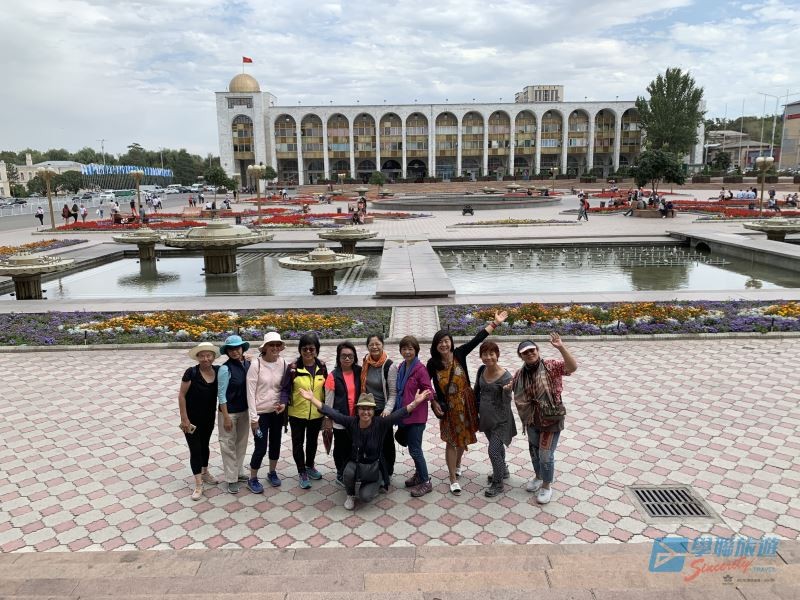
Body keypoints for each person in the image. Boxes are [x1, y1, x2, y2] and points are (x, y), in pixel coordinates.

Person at [302, 390, 431, 510]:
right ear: (358, 410)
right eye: (362, 409)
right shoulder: (352, 422)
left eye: (369, 409)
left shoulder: (380, 423)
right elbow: (332, 413)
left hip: (374, 467)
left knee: (365, 497)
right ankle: (350, 495)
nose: (365, 412)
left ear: (373, 411)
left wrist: (415, 402)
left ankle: (377, 482)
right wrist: (312, 399)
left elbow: (400, 413)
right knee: (348, 472)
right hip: (356, 463)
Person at [427, 310, 509, 495]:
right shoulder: (432, 363)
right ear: (435, 345)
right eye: (440, 342)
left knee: (462, 438)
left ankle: (457, 465)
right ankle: (453, 479)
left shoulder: (459, 353)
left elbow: (477, 339)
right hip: (448, 407)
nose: (444, 345)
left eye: (446, 341)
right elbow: (426, 384)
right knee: (451, 441)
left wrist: (495, 323)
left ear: (451, 342)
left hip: (466, 404)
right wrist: (433, 401)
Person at [511, 334, 577, 504]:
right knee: (534, 452)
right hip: (531, 419)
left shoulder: (550, 365)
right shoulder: (520, 374)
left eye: (532, 350)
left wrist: (561, 347)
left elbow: (572, 367)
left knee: (545, 455)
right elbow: (512, 385)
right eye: (525, 352)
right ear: (521, 356)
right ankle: (539, 476)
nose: (529, 354)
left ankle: (546, 486)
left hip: (551, 417)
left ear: (537, 350)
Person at [281, 332, 327, 489]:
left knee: (312, 442)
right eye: (304, 349)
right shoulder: (293, 368)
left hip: (316, 413)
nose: (308, 352)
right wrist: (282, 403)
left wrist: (327, 411)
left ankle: (310, 466)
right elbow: (285, 389)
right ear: (300, 350)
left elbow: (327, 390)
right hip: (297, 413)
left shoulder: (322, 367)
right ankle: (301, 471)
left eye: (311, 349)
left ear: (317, 350)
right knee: (298, 443)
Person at [246, 332, 288, 492]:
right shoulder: (256, 364)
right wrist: (253, 418)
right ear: (265, 347)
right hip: (260, 414)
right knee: (261, 447)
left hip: (277, 412)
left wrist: (283, 403)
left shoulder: (283, 363)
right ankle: (252, 478)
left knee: (276, 443)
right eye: (271, 345)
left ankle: (272, 472)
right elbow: (250, 393)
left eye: (278, 345)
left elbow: (285, 387)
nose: (275, 348)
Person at [178, 342, 220, 501]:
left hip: (208, 418)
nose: (205, 358)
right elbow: (181, 395)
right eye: (202, 356)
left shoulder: (218, 370)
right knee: (195, 450)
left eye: (209, 355)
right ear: (197, 357)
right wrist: (184, 418)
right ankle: (198, 484)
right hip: (191, 420)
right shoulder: (191, 372)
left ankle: (205, 472)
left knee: (205, 446)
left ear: (213, 357)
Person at [475, 340, 516, 498]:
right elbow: (477, 391)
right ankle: (503, 470)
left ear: (497, 355)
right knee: (497, 449)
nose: (488, 357)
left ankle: (498, 484)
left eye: (491, 353)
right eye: (484, 354)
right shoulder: (482, 370)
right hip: (486, 418)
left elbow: (506, 402)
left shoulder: (506, 377)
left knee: (493, 451)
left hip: (501, 421)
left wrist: (507, 391)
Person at [396, 335, 435, 497]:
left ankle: (426, 481)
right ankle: (419, 475)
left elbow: (430, 391)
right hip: (404, 414)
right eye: (404, 349)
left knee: (415, 450)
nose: (407, 352)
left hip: (416, 417)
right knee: (413, 449)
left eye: (410, 349)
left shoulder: (420, 369)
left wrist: (422, 397)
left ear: (416, 350)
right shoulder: (401, 367)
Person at [361, 333, 398, 490]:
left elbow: (393, 393)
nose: (374, 347)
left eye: (377, 344)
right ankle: (373, 471)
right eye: (371, 344)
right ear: (367, 346)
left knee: (386, 442)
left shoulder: (389, 366)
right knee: (370, 443)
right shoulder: (365, 362)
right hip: (368, 410)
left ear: (383, 345)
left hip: (383, 411)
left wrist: (387, 411)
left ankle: (387, 472)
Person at [216, 335, 251, 494]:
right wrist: (226, 417)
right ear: (227, 352)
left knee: (241, 443)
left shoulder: (248, 364)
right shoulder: (225, 369)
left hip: (244, 410)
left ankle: (238, 471)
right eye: (231, 349)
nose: (235, 351)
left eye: (237, 348)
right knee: (228, 445)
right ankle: (231, 479)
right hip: (228, 412)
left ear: (242, 348)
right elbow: (221, 394)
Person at [324, 341, 361, 487]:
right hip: (340, 419)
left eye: (350, 356)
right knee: (341, 448)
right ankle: (341, 473)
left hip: (357, 419)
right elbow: (328, 400)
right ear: (338, 358)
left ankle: (352, 472)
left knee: (354, 446)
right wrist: (328, 419)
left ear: (354, 357)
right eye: (343, 356)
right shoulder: (333, 376)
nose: (347, 358)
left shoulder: (359, 371)